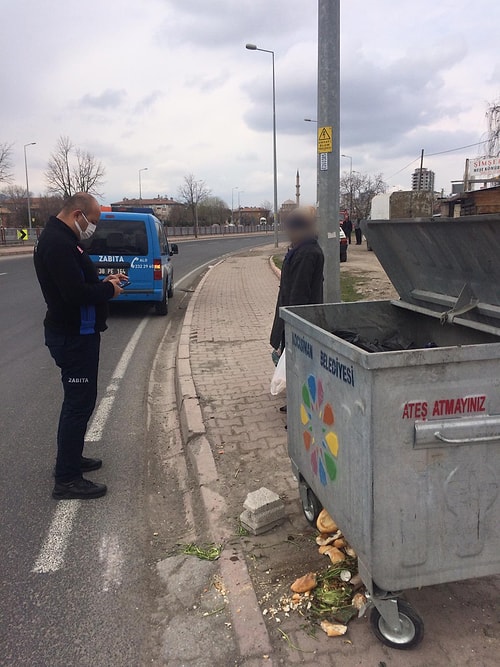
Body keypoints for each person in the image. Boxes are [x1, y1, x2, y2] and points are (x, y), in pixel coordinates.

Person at [34, 193, 127, 500]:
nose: (93, 228)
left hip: (79, 333)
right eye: (94, 222)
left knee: (81, 402)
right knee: (77, 405)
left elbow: (77, 281)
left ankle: (72, 459)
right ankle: (67, 479)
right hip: (73, 337)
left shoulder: (63, 238)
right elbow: (73, 294)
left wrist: (106, 279)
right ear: (78, 214)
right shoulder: (58, 243)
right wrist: (107, 290)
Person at [270, 207, 324, 356]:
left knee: (294, 370)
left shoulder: (306, 253)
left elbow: (299, 294)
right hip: (294, 319)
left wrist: (290, 332)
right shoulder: (301, 249)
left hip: (298, 323)